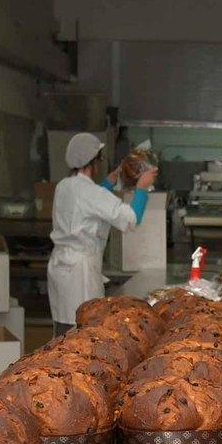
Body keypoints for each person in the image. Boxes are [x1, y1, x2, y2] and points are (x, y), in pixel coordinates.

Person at [47, 133, 157, 329]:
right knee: (83, 329)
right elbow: (131, 219)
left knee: (63, 328)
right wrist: (142, 187)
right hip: (81, 272)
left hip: (61, 266)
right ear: (94, 161)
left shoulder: (64, 186)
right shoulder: (92, 193)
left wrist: (108, 183)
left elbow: (86, 206)